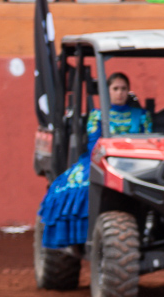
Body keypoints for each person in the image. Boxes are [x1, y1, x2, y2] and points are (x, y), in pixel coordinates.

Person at [38, 73, 151, 249]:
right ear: (107, 91)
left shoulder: (141, 115)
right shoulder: (97, 115)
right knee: (80, 185)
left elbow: (147, 142)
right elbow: (93, 144)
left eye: (123, 89)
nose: (120, 93)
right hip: (101, 160)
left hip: (136, 162)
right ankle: (81, 239)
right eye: (115, 89)